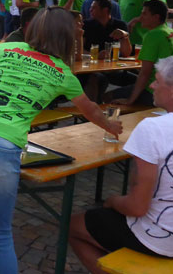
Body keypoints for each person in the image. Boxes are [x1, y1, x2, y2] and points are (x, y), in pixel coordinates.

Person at [0, 7, 123, 274]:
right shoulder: (62, 72)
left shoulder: (3, 49)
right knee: (0, 233)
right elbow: (90, 109)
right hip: (2, 144)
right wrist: (110, 125)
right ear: (66, 37)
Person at [69, 55, 173, 270]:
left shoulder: (153, 128)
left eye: (158, 81)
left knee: (72, 226)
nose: (152, 86)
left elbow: (136, 207)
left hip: (160, 238)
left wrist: (112, 201)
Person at [109, 0, 173, 106]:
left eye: (144, 14)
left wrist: (130, 100)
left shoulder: (153, 35)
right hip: (169, 90)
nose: (140, 17)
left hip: (155, 92)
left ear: (156, 17)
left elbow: (145, 73)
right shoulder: (169, 31)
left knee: (108, 96)